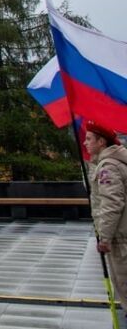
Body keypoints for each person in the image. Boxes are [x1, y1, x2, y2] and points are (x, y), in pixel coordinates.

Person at [87, 120, 127, 309]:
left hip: (121, 238)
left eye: (89, 139)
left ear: (101, 142)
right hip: (121, 235)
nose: (85, 143)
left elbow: (112, 204)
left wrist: (104, 238)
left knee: (124, 285)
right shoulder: (111, 162)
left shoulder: (108, 166)